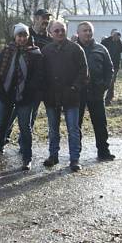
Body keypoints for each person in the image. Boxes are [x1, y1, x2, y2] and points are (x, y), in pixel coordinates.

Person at [0, 23, 44, 171]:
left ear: (28, 36)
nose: (22, 38)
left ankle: (27, 158)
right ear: (15, 36)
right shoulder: (6, 51)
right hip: (6, 96)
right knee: (2, 125)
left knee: (25, 127)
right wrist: (0, 88)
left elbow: (39, 77)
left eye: (25, 35)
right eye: (19, 35)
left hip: (26, 98)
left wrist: (29, 92)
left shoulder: (35, 54)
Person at [42, 20, 88, 172]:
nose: (60, 33)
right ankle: (53, 155)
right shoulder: (46, 50)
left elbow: (84, 72)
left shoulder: (76, 49)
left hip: (71, 96)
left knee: (73, 129)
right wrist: (45, 91)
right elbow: (41, 73)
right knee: (53, 129)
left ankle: (74, 159)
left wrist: (74, 87)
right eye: (56, 31)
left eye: (62, 30)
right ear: (50, 33)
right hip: (51, 96)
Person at [76, 21, 115, 162]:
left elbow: (109, 69)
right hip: (77, 94)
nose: (87, 33)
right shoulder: (73, 49)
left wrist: (104, 85)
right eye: (84, 30)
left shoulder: (101, 49)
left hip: (96, 93)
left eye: (89, 30)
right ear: (78, 33)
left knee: (100, 124)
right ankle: (76, 154)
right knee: (76, 125)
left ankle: (103, 151)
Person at [100, 29, 122, 105]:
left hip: (115, 65)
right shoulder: (106, 41)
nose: (115, 36)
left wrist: (118, 40)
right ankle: (101, 96)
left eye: (117, 34)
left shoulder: (120, 42)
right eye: (114, 34)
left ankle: (108, 99)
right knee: (103, 80)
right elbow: (101, 46)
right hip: (105, 64)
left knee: (111, 82)